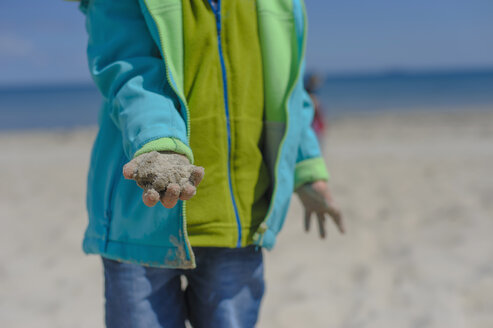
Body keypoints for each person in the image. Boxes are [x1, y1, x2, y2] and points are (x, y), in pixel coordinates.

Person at [77, 0, 344, 327]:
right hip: (138, 218)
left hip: (237, 220)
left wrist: (306, 168)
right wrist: (161, 144)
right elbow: (128, 69)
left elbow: (288, 92)